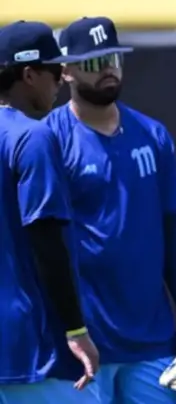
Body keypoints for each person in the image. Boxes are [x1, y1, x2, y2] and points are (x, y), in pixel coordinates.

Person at [43, 16, 176, 403]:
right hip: (83, 342)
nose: (107, 69)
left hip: (151, 340)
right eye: (93, 61)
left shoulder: (153, 135)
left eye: (113, 58)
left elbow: (173, 231)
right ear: (65, 70)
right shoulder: (49, 140)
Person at [0, 20, 99, 403]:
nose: (61, 79)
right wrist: (76, 330)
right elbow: (46, 242)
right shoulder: (32, 136)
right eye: (55, 71)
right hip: (34, 347)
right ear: (28, 74)